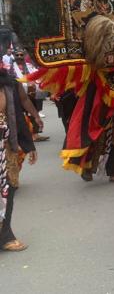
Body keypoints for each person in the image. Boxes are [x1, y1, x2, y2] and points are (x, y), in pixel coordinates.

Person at [0, 67, 42, 252]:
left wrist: (28, 145)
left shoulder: (9, 85)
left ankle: (5, 235)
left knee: (8, 189)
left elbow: (17, 113)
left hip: (5, 151)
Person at [10, 49, 48, 142]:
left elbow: (37, 75)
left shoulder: (30, 66)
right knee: (21, 116)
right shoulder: (10, 68)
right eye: (17, 55)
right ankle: (25, 136)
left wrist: (33, 82)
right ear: (14, 56)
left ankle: (35, 134)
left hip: (33, 94)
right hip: (20, 95)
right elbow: (14, 81)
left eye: (21, 55)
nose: (19, 57)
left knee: (34, 113)